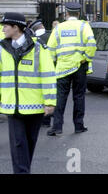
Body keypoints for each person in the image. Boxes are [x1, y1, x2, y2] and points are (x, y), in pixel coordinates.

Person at [0, 12, 57, 174]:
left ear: (16, 27)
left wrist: (50, 101)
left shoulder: (38, 48)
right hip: (13, 106)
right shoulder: (2, 48)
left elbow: (48, 75)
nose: (3, 29)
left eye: (6, 26)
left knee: (29, 144)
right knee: (19, 146)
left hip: (35, 106)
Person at [47, 2, 97, 136]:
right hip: (79, 66)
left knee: (60, 98)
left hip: (62, 68)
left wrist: (53, 63)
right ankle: (79, 126)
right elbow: (92, 43)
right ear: (79, 13)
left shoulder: (59, 27)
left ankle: (57, 127)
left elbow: (50, 48)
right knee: (79, 96)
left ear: (67, 14)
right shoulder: (83, 26)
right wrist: (86, 57)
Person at [29, 19, 52, 127]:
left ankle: (42, 118)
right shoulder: (51, 35)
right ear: (42, 26)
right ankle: (51, 117)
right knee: (52, 93)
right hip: (54, 68)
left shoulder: (32, 39)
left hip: (36, 70)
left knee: (40, 93)